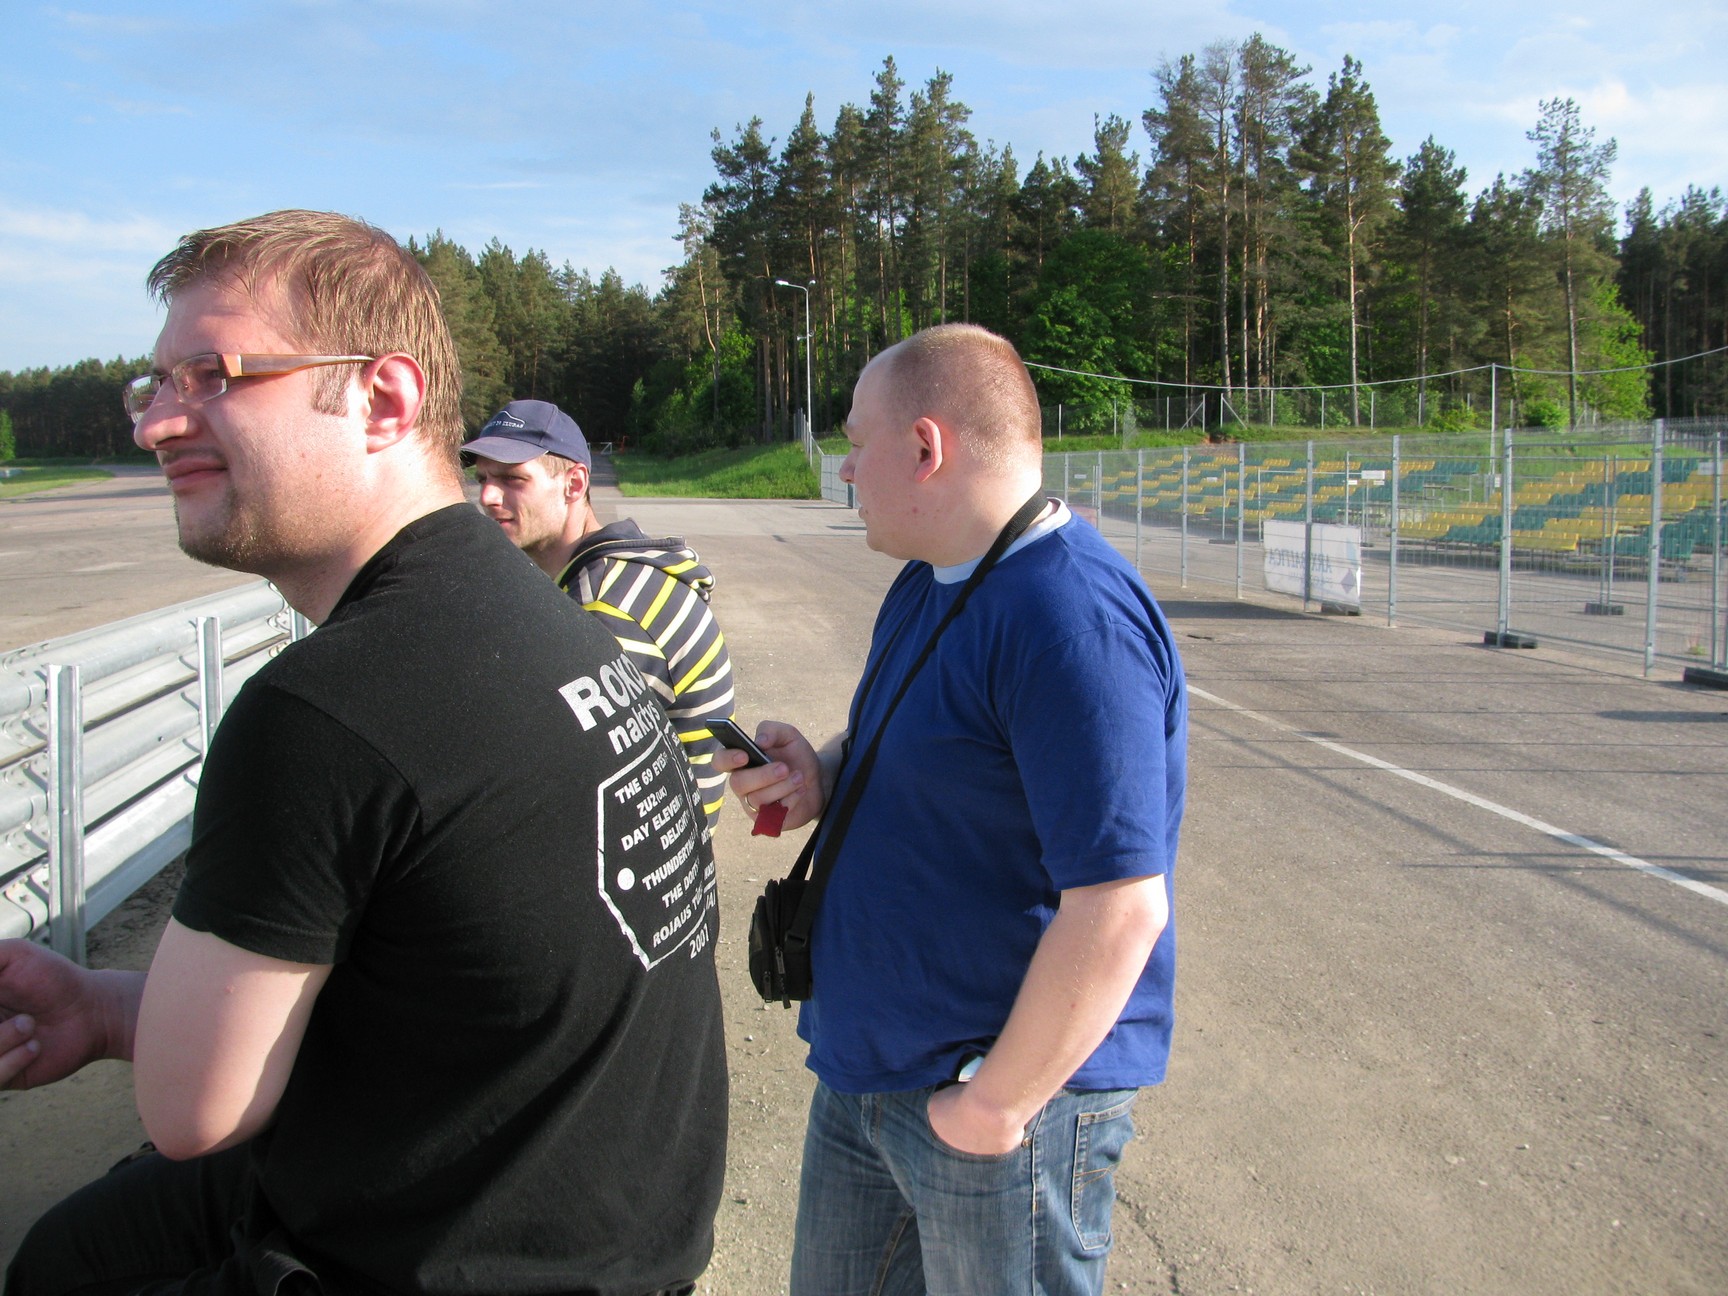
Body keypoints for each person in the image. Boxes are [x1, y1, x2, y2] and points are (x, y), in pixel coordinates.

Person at [0, 211, 726, 1296]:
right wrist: (105, 1008)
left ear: (384, 399)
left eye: (214, 375)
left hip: (464, 1253)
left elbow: (194, 1112)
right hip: (611, 1225)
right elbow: (440, 994)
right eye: (153, 385)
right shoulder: (551, 622)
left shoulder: (328, 707)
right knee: (73, 1248)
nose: (158, 424)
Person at [722, 323, 1186, 1296]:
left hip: (994, 1099)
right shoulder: (931, 578)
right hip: (872, 1070)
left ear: (926, 448)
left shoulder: (1070, 619)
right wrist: (822, 773)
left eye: (857, 443)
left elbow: (1120, 905)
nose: (846, 468)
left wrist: (994, 1106)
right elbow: (930, 740)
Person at [464, 401, 735, 830]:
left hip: (653, 847)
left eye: (512, 479)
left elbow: (564, 767)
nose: (487, 497)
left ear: (573, 484)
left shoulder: (604, 607)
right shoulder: (622, 569)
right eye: (482, 478)